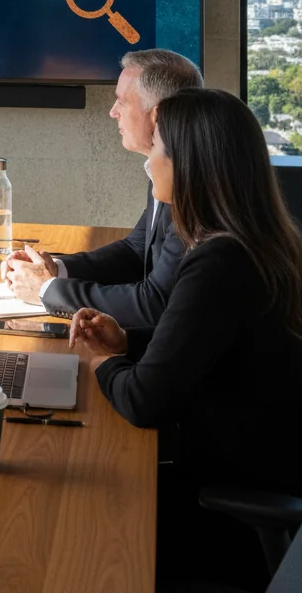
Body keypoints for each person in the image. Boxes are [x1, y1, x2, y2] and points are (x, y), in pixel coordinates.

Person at [70, 88, 302, 588]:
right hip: (259, 465)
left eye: (157, 149)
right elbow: (211, 349)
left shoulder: (218, 262)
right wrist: (127, 343)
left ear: (189, 164)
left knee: (76, 521)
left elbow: (143, 401)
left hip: (221, 505)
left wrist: (98, 361)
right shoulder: (262, 242)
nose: (149, 162)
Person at [1, 49, 202, 326]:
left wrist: (47, 290)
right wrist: (56, 270)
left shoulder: (191, 189)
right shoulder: (164, 167)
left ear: (157, 115)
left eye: (122, 102)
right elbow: (137, 249)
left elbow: (155, 303)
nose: (112, 112)